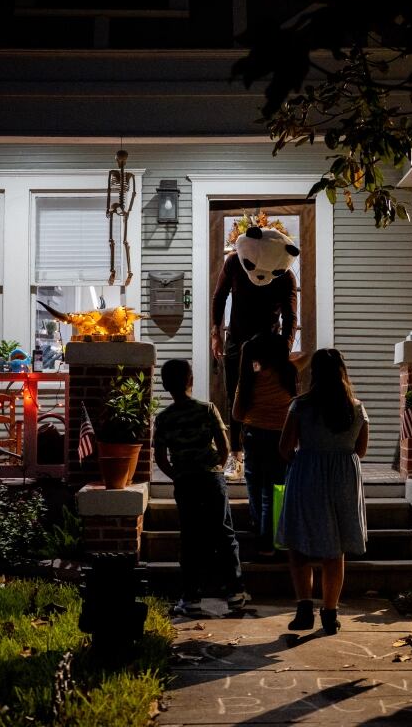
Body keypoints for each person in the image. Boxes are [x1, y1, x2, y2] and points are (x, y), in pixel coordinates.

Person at [276, 348, 368, 635]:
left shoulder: (300, 405)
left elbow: (285, 447)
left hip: (307, 475)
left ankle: (304, 608)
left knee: (299, 543)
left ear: (313, 372)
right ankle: (330, 613)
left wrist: (306, 459)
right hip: (343, 478)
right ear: (342, 371)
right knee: (335, 548)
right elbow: (361, 449)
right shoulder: (356, 408)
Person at [153, 358, 248, 616]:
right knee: (224, 534)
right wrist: (216, 467)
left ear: (165, 385)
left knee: (190, 537)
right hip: (211, 479)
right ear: (191, 380)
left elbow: (160, 457)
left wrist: (177, 475)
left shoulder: (164, 419)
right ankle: (235, 594)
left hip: (186, 481)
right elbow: (225, 445)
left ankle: (192, 598)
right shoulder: (207, 409)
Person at [211, 244, 298, 478]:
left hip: (268, 346)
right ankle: (236, 456)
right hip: (237, 340)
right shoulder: (235, 261)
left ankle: (271, 453)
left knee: (266, 396)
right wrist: (216, 333)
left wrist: (285, 348)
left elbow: (290, 315)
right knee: (235, 395)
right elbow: (220, 295)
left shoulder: (284, 273)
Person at [232, 333, 298, 558]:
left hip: (254, 435)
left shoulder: (250, 379)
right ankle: (272, 538)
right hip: (280, 436)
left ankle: (262, 536)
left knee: (255, 486)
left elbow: (237, 414)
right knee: (274, 488)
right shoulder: (288, 375)